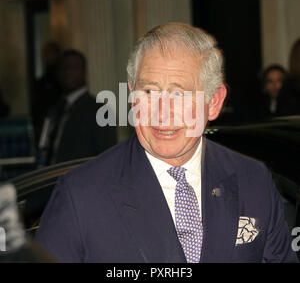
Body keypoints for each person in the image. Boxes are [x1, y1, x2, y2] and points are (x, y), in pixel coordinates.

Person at [35, 23, 298, 263]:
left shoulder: (253, 180)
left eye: (178, 94)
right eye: (149, 92)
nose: (161, 112)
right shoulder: (80, 194)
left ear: (214, 102)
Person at [38, 49, 117, 166]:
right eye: (63, 68)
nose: (68, 72)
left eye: (73, 67)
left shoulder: (100, 110)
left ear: (84, 73)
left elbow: (108, 157)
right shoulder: (54, 110)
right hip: (52, 179)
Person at [32, 41, 62, 141]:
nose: (47, 57)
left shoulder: (61, 79)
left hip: (58, 121)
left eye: (50, 53)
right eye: (45, 54)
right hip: (44, 123)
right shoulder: (42, 81)